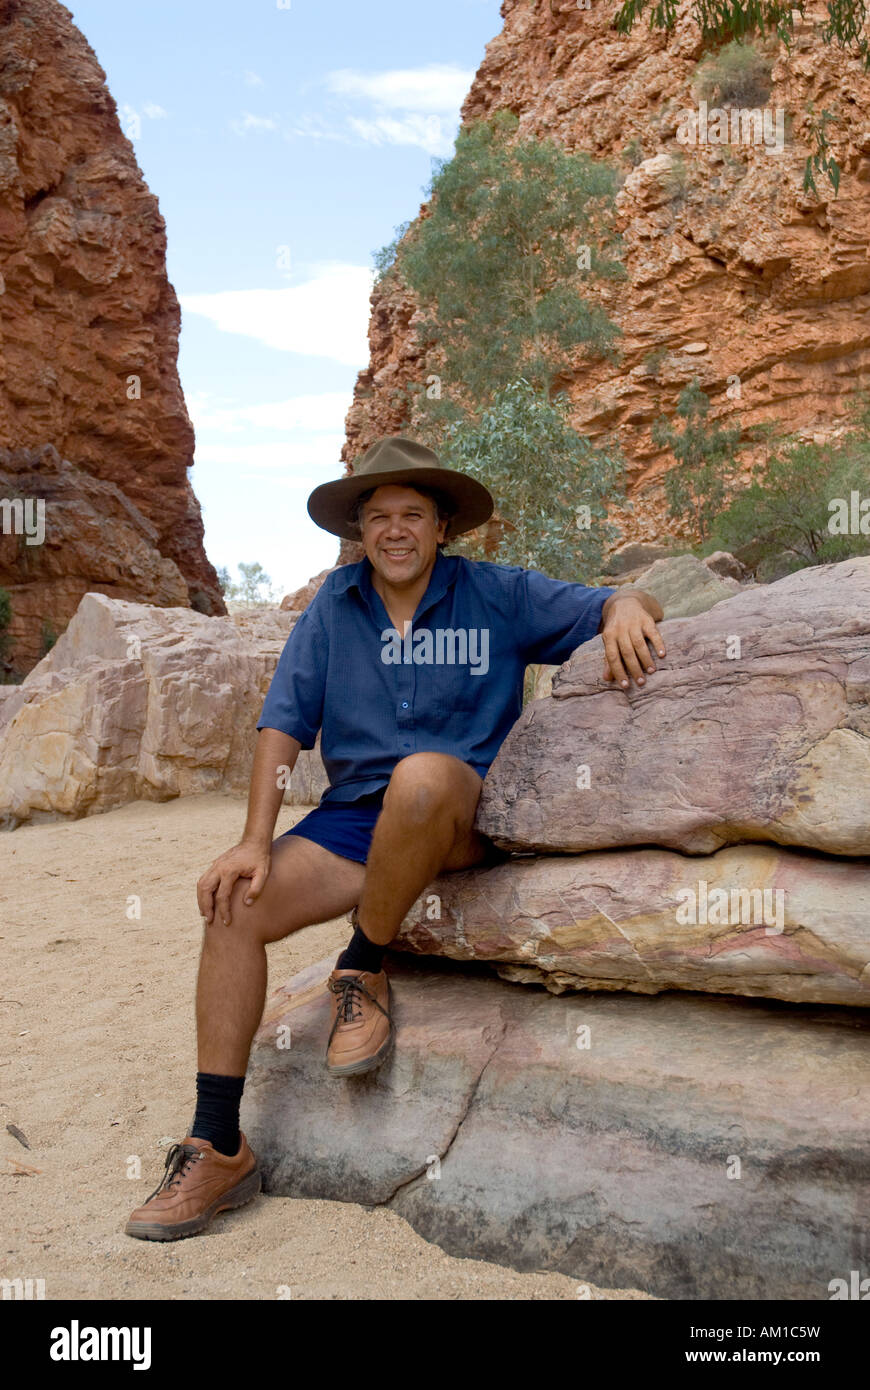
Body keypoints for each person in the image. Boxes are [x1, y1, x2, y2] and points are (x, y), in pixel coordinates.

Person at [125, 436, 665, 1241]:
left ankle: (361, 967)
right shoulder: (334, 608)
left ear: (442, 524)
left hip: (457, 814)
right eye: (378, 517)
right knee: (234, 905)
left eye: (412, 513)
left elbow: (615, 603)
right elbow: (282, 726)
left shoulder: (498, 594)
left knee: (420, 775)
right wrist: (252, 841)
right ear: (360, 532)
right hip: (353, 822)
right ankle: (218, 1144)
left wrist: (626, 608)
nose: (395, 530)